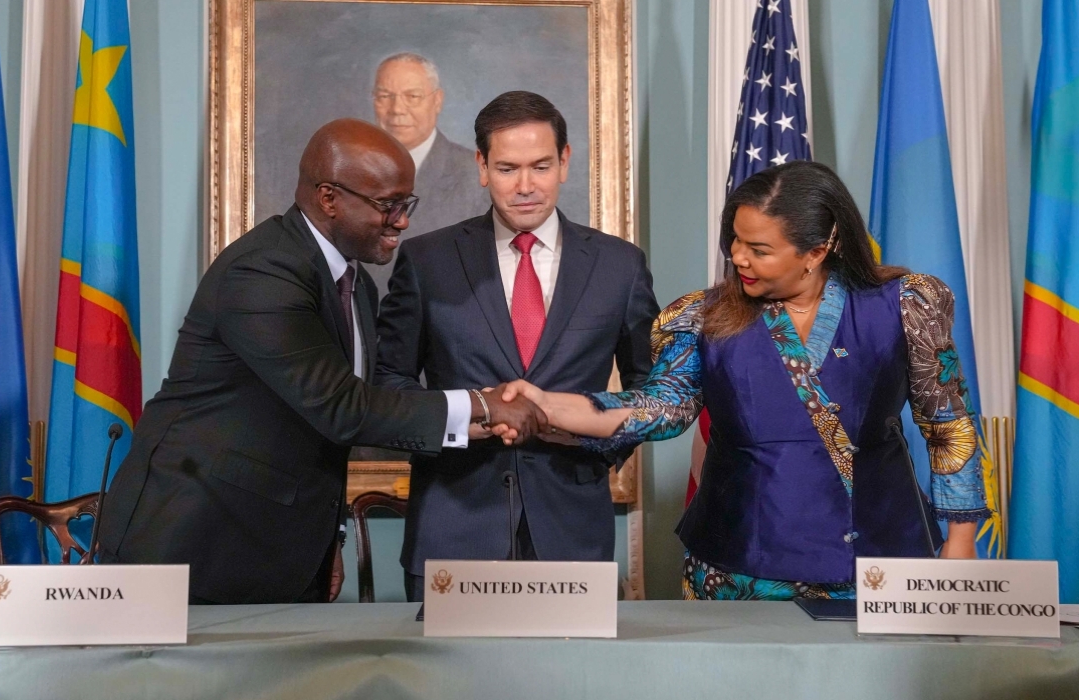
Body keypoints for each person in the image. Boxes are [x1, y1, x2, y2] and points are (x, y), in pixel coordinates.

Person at [97, 119, 546, 605]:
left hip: (284, 545)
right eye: (388, 206)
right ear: (329, 199)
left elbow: (334, 427)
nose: (402, 221)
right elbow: (341, 407)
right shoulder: (263, 271)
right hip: (195, 539)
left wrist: (323, 537)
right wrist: (484, 407)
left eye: (406, 204)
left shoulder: (358, 287)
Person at [496, 161, 990, 600]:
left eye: (759, 249)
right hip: (740, 568)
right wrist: (547, 405)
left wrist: (961, 539)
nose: (738, 258)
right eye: (734, 239)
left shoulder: (906, 303)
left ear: (816, 251)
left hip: (881, 562)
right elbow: (659, 408)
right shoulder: (702, 316)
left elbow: (947, 423)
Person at [374, 91, 660, 602]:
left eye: (541, 166)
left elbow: (651, 394)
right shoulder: (426, 261)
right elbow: (388, 385)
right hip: (451, 530)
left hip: (573, 534)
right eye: (507, 168)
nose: (525, 186)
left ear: (565, 162)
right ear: (482, 166)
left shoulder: (621, 266)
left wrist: (587, 439)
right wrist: (476, 418)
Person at [366, 52, 489, 290]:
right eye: (384, 96)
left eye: (412, 96)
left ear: (437, 101)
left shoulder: (476, 176)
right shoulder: (354, 171)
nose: (397, 109)